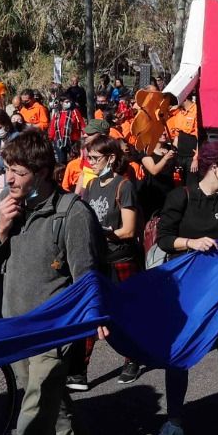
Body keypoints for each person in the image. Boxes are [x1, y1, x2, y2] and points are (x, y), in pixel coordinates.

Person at [0, 128, 106, 435]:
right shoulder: (7, 204)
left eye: (17, 172)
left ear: (42, 171)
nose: (9, 179)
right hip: (16, 330)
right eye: (6, 170)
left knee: (31, 424)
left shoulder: (71, 214)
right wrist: (0, 229)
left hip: (54, 337)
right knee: (57, 407)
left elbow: (87, 278)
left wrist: (96, 320)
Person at [152, 139, 218, 435]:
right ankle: (174, 421)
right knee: (178, 351)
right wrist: (191, 243)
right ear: (214, 167)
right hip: (185, 288)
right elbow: (164, 238)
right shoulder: (180, 196)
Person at [75, 132, 144, 385]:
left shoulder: (124, 186)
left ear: (111, 158)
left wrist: (104, 232)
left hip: (121, 258)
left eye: (94, 157)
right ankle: (80, 368)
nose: (90, 162)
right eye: (88, 157)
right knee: (91, 311)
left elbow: (128, 230)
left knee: (125, 312)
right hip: (98, 259)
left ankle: (132, 358)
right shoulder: (92, 185)